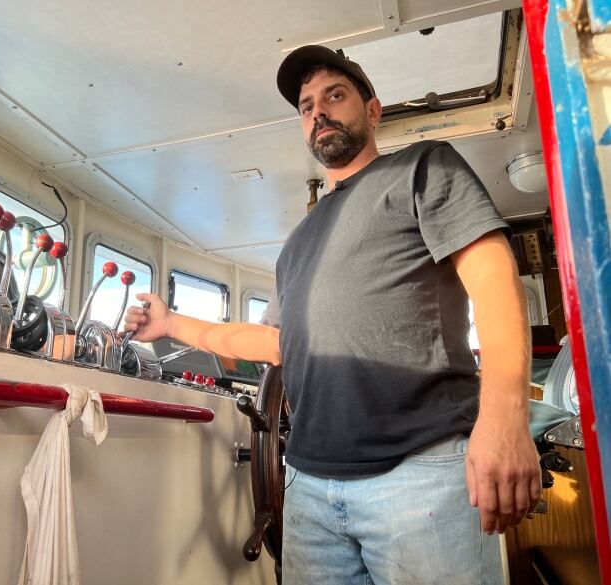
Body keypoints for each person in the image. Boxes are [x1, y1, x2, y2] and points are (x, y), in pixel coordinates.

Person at [124, 45, 540, 584]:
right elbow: (274, 342)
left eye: (334, 96)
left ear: (373, 110)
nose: (317, 111)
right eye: (305, 106)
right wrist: (172, 324)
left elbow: (493, 280)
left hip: (421, 475)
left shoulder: (423, 168)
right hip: (309, 486)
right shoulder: (297, 243)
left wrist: (505, 420)